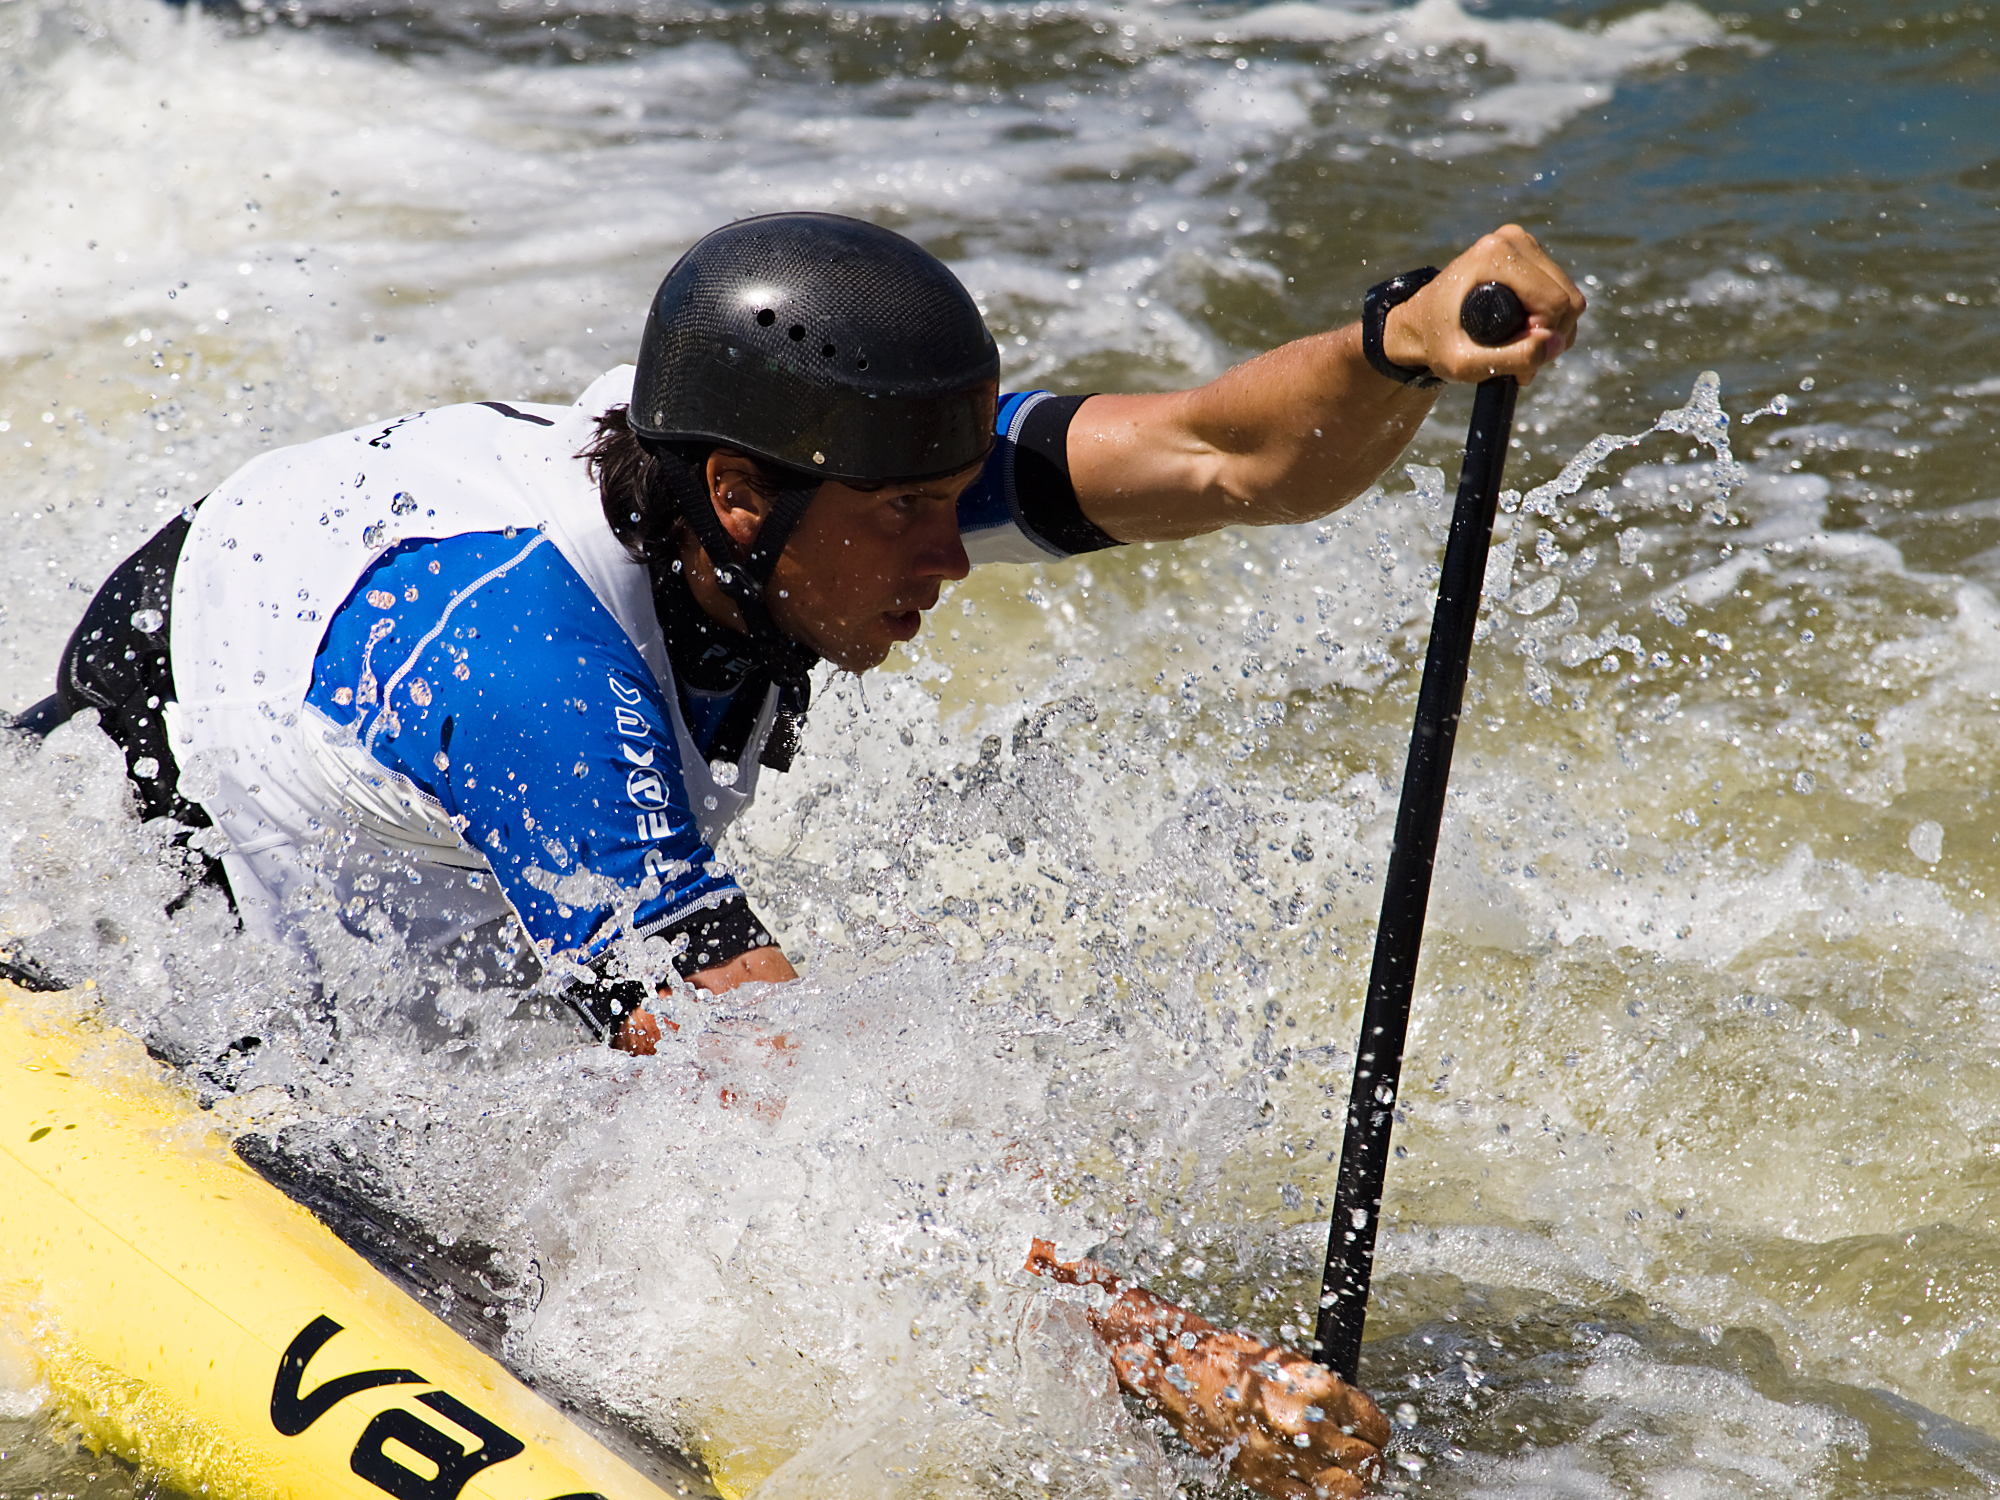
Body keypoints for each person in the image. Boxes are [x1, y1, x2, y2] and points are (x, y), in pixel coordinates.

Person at [12, 211, 1583, 1497]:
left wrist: (1399, 340)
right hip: (151, 854)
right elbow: (785, 1098)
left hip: (385, 776)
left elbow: (1237, 460)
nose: (946, 552)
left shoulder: (790, 474)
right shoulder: (532, 674)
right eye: (904, 516)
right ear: (739, 502)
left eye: (944, 500)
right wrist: (1154, 1346)